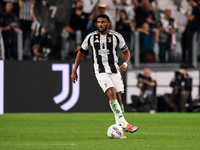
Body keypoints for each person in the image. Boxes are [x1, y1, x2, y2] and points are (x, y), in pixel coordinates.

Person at [71, 14, 138, 139]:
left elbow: (126, 52)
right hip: (101, 71)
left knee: (119, 97)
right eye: (98, 22)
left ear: (108, 23)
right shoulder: (91, 37)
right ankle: (123, 123)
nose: (100, 24)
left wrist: (125, 63)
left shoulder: (117, 36)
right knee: (111, 92)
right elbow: (81, 53)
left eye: (103, 22)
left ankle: (119, 129)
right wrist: (74, 70)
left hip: (115, 70)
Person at [180, 0, 199, 67]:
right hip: (190, 30)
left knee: (191, 47)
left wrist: (184, 13)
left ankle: (191, 62)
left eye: (188, 2)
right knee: (188, 46)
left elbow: (191, 18)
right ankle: (188, 61)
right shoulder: (195, 8)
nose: (188, 3)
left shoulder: (196, 8)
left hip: (192, 30)